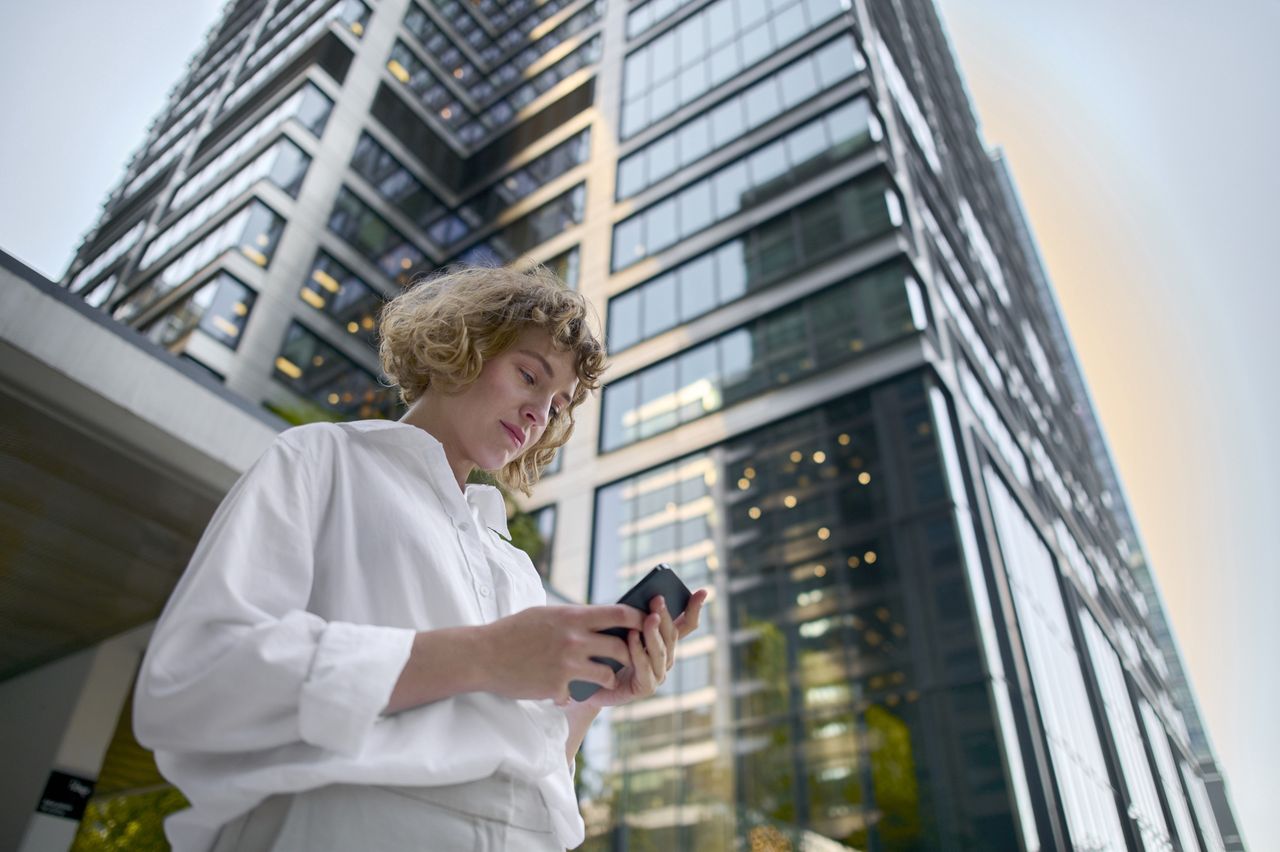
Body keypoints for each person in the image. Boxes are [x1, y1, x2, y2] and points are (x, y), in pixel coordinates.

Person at [133, 264, 708, 851]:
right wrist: (481, 655)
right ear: (463, 345)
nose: (540, 414)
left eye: (557, 406)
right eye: (529, 375)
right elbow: (196, 675)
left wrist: (592, 700)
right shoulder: (324, 459)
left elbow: (529, 771)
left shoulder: (511, 563)